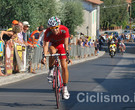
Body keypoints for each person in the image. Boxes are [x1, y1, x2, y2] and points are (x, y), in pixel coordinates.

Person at [43, 16, 71, 99]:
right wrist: (44, 56)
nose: (54, 30)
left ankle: (65, 88)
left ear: (59, 26)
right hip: (53, 46)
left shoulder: (64, 29)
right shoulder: (47, 32)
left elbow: (66, 44)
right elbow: (45, 45)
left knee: (64, 67)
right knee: (52, 52)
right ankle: (51, 70)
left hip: (61, 46)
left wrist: (67, 54)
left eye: (56, 28)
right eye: (52, 28)